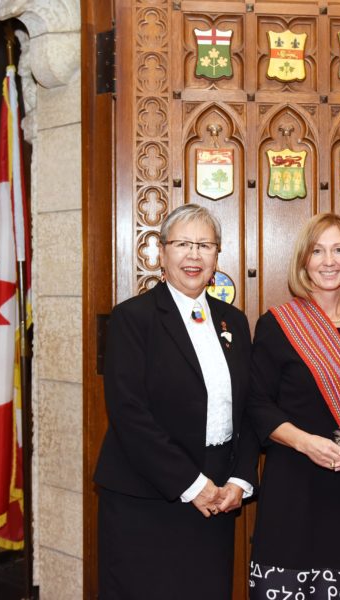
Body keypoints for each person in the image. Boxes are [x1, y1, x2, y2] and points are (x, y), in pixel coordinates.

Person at [94, 204, 258, 600]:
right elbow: (129, 414)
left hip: (217, 498)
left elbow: (250, 407)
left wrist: (239, 479)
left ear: (217, 256)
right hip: (147, 497)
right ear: (161, 252)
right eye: (183, 244)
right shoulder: (132, 318)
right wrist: (191, 484)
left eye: (204, 245)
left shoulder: (232, 321)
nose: (194, 255)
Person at [247, 213, 340, 599]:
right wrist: (305, 442)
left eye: (338, 249)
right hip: (293, 488)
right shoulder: (277, 324)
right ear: (304, 261)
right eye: (317, 251)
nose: (328, 261)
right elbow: (257, 403)